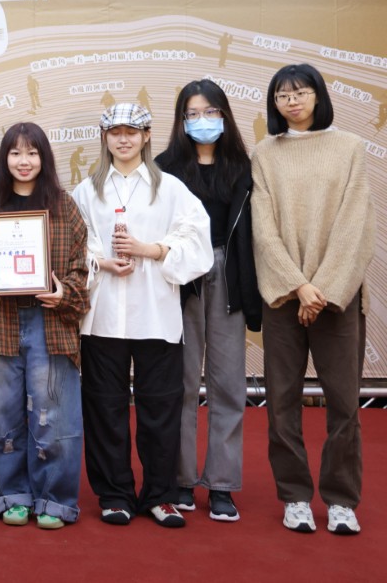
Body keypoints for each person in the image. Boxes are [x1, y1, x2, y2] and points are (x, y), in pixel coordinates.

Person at [72, 102, 213, 528]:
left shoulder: (170, 188)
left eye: (132, 131)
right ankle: (114, 494)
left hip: (156, 314)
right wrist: (101, 261)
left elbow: (197, 242)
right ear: (104, 137)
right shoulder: (86, 191)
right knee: (104, 408)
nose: (123, 139)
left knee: (161, 408)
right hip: (103, 317)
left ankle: (160, 495)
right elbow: (72, 246)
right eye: (115, 132)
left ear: (147, 136)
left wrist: (149, 249)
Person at [251, 64, 374, 535]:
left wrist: (322, 290)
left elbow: (355, 224)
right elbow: (264, 229)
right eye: (283, 95)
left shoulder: (349, 147)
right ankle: (295, 496)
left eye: (301, 92)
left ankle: (342, 500)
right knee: (282, 402)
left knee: (344, 404)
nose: (293, 101)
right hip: (285, 298)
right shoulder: (265, 153)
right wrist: (298, 286)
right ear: (274, 104)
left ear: (318, 96)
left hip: (337, 299)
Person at [0, 123, 89, 529]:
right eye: (15, 153)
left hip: (50, 321)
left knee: (55, 414)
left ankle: (54, 500)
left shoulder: (64, 205)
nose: (23, 161)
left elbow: (79, 267)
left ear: (44, 158)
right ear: (4, 158)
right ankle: (8, 495)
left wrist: (64, 293)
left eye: (32, 153)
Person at [154, 80, 262, 522]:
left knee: (228, 385)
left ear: (225, 116)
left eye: (211, 112)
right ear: (182, 121)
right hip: (182, 279)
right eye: (194, 114)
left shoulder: (243, 167)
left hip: (229, 276)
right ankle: (180, 479)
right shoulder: (165, 168)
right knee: (180, 383)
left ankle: (221, 484)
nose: (203, 121)